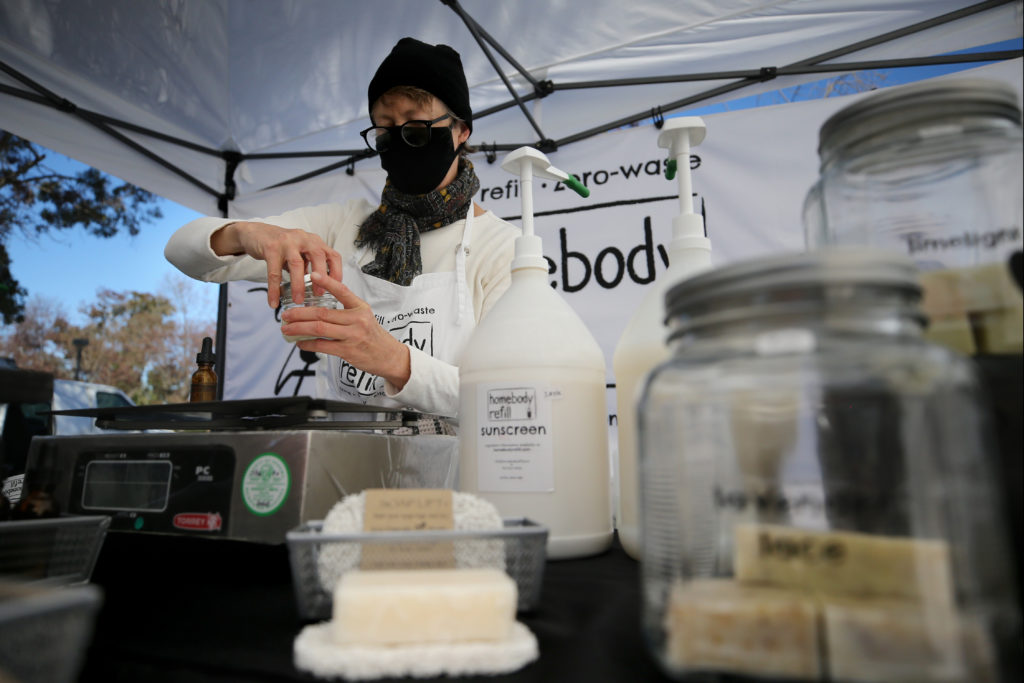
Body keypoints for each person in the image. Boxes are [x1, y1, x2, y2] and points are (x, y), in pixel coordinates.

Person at [165, 37, 519, 418]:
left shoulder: (502, 247)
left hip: (453, 475)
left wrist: (396, 361)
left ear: (461, 130)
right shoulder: (342, 225)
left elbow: (505, 401)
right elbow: (182, 250)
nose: (399, 140)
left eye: (416, 128)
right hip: (346, 469)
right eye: (385, 129)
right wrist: (247, 234)